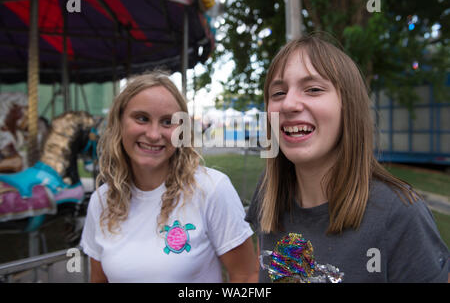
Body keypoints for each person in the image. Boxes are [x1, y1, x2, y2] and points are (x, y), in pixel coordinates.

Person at [245, 34, 449, 283]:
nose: (288, 104)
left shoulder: (400, 215)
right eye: (278, 93)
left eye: (313, 89)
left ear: (348, 107)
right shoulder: (268, 192)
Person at [80, 71, 257, 283]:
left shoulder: (211, 189)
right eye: (142, 118)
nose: (154, 134)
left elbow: (247, 276)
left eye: (167, 122)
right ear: (119, 122)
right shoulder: (101, 201)